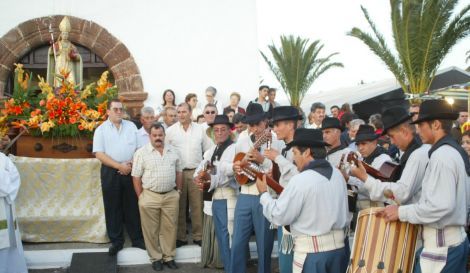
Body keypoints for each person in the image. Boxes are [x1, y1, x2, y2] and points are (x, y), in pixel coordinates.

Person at [381, 100, 470, 273]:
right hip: (450, 242)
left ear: (436, 124)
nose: (417, 129)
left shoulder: (442, 156)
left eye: (421, 124)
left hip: (442, 247)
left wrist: (401, 212)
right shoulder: (452, 151)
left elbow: (440, 206)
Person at [257, 128, 349, 273]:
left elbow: (279, 216)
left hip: (313, 254)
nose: (293, 158)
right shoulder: (338, 175)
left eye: (295, 153)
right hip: (339, 252)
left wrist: (263, 193)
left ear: (306, 152)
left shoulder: (301, 180)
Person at [230, 103, 282, 273]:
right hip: (245, 194)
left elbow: (279, 169)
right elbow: (237, 163)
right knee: (237, 242)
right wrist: (237, 168)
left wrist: (262, 160)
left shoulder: (276, 140)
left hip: (266, 194)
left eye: (257, 124)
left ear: (265, 121)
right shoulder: (243, 140)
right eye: (250, 124)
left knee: (264, 244)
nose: (253, 128)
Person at [93, 99, 145, 255]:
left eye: (120, 109)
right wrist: (119, 166)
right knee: (113, 206)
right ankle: (116, 241)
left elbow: (139, 148)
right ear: (108, 111)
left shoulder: (131, 127)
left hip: (131, 169)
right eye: (115, 109)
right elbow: (99, 154)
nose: (118, 112)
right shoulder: (101, 130)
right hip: (110, 171)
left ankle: (137, 239)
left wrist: (129, 164)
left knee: (132, 205)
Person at [350, 106, 430, 206]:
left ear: (404, 132)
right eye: (358, 144)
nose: (391, 142)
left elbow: (402, 193)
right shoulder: (415, 151)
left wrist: (364, 178)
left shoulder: (417, 155)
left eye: (392, 136)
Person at [132, 122, 183, 271]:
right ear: (150, 136)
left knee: (170, 228)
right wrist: (141, 197)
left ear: (164, 135)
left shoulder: (173, 151)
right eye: (154, 135)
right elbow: (135, 177)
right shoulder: (141, 153)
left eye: (160, 135)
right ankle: (155, 258)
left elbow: (179, 171)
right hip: (149, 196)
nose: (158, 138)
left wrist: (178, 191)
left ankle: (169, 257)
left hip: (170, 196)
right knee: (150, 229)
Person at [194, 115, 238, 272]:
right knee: (222, 237)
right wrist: (199, 178)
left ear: (229, 131)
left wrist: (208, 178)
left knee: (230, 237)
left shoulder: (234, 148)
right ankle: (228, 268)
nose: (219, 133)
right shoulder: (211, 150)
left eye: (223, 129)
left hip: (229, 197)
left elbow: (227, 177)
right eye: (216, 130)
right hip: (215, 199)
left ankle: (233, 269)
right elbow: (199, 170)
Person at [165, 102, 213, 247]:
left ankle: (199, 236)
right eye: (178, 112)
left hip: (196, 172)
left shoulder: (200, 130)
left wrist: (204, 170)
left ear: (190, 113)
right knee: (179, 205)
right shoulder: (170, 131)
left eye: (184, 112)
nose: (181, 115)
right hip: (178, 173)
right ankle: (181, 237)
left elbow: (209, 151)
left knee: (197, 205)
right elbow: (166, 152)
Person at [263, 106, 302, 273]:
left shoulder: (301, 148)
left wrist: (277, 158)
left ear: (291, 125)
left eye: (278, 125)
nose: (274, 129)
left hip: (297, 216)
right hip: (284, 208)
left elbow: (301, 178)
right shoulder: (286, 148)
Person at [346, 124, 392, 210]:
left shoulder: (385, 160)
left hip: (377, 212)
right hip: (363, 211)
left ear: (374, 142)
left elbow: (380, 191)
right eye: (358, 144)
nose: (360, 148)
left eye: (363, 144)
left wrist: (349, 179)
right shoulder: (363, 158)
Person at [0, 153, 28, 273]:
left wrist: (5, 189)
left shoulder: (3, 158)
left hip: (3, 206)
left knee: (6, 246)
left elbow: (14, 180)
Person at [47, 16, 83, 89]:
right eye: (63, 34)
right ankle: (58, 94)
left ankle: (72, 94)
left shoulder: (71, 45)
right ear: (61, 34)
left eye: (66, 34)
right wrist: (52, 48)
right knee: (59, 81)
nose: (65, 35)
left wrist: (73, 55)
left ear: (68, 35)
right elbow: (51, 53)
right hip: (60, 64)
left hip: (69, 65)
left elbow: (77, 56)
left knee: (71, 80)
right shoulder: (57, 44)